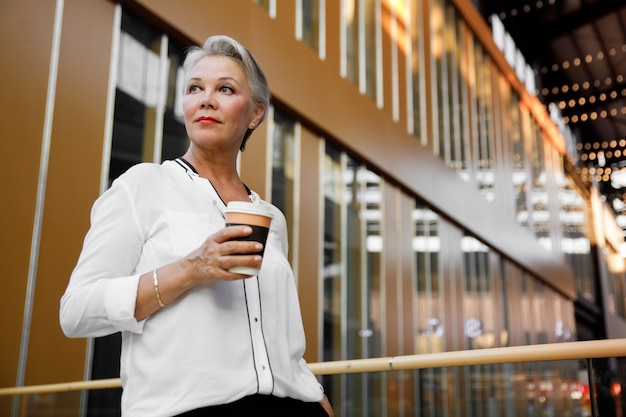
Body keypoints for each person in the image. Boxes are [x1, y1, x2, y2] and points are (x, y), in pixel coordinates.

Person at [60, 35, 334, 417]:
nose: (206, 99)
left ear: (255, 113)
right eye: (194, 88)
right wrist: (191, 269)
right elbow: (76, 312)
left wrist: (315, 395)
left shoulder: (270, 217)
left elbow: (281, 339)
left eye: (225, 88)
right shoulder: (143, 186)